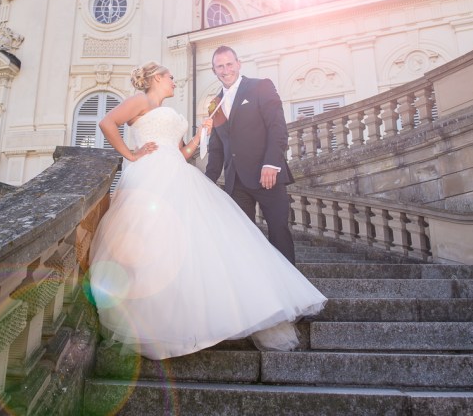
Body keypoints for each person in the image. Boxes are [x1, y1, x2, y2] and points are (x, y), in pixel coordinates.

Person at [88, 61, 326, 361]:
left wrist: (202, 135)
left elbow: (183, 152)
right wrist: (130, 154)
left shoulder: (168, 110)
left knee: (200, 239)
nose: (174, 82)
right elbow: (107, 123)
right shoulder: (141, 101)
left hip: (177, 170)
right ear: (158, 78)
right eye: (171, 77)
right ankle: (157, 319)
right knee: (153, 239)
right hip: (149, 174)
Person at [205, 45, 297, 264]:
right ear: (214, 70)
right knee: (243, 238)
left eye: (229, 64)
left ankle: (287, 287)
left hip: (267, 175)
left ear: (238, 64)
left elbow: (277, 127)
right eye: (220, 66)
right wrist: (206, 181)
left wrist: (271, 164)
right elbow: (217, 148)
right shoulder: (213, 105)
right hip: (235, 182)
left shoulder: (260, 87)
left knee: (278, 231)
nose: (225, 70)